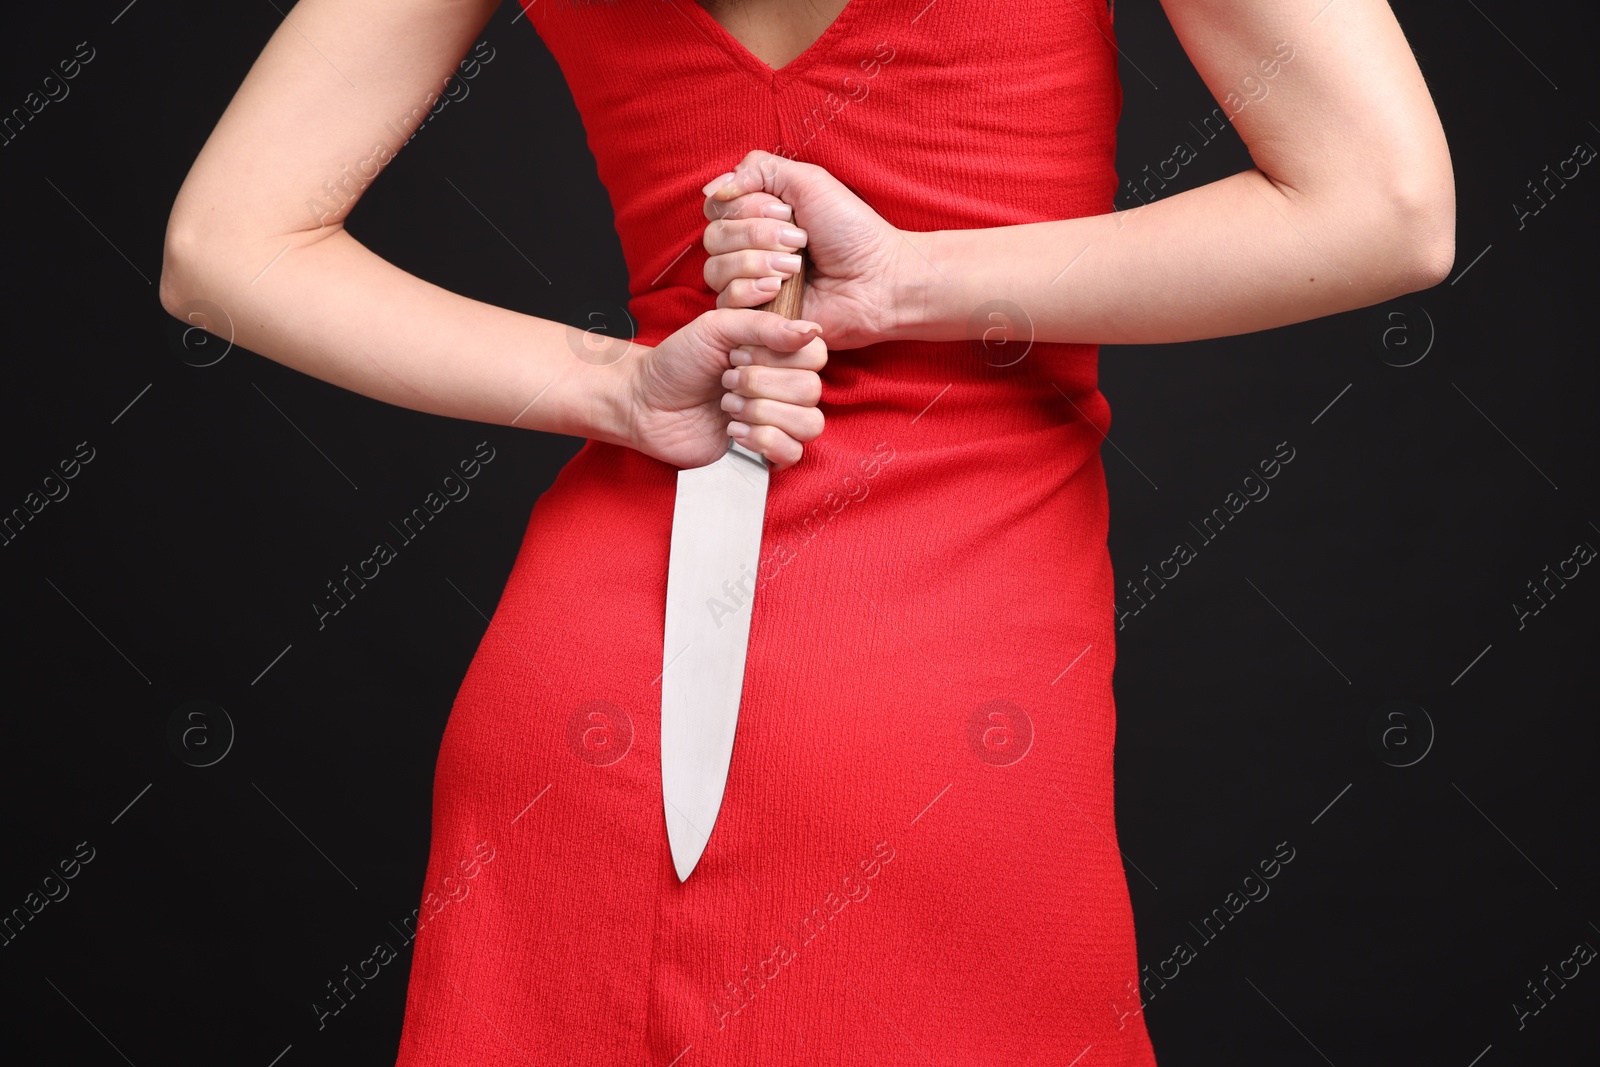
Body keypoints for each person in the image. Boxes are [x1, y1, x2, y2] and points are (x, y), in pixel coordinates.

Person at [159, 0, 1453, 1063]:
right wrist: (914, 281)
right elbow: (1391, 205)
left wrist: (618, 388)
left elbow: (221, 245)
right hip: (945, 713)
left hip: (593, 698)